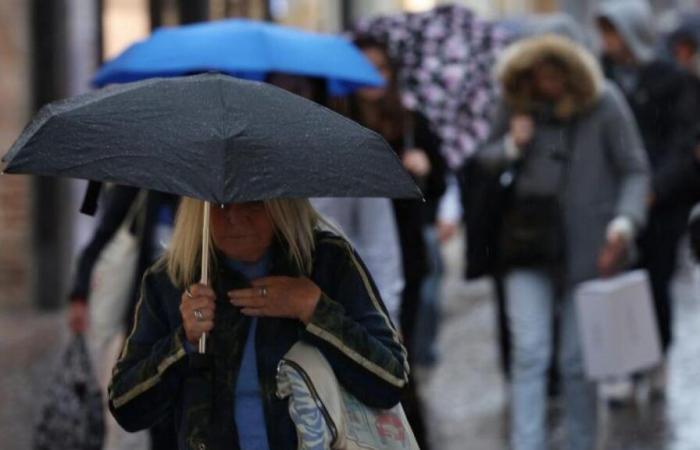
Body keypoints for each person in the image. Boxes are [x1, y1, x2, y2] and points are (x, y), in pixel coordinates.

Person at [108, 198, 408, 449]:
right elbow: (126, 406)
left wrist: (314, 309)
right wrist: (182, 342)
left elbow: (390, 380)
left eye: (253, 203)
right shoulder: (172, 280)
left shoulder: (328, 263)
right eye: (221, 204)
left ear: (280, 203)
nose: (235, 218)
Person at [477, 34, 650, 450]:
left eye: (555, 73)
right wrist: (511, 147)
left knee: (578, 361)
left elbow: (634, 168)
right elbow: (483, 163)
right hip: (526, 247)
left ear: (572, 72)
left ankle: (582, 442)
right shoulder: (514, 103)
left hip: (590, 250)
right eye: (538, 73)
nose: (547, 83)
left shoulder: (604, 102)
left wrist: (624, 225)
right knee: (529, 353)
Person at [597, 0, 700, 397]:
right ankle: (626, 363)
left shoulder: (671, 79)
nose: (608, 42)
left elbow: (682, 140)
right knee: (618, 279)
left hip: (663, 200)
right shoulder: (600, 77)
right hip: (617, 199)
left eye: (613, 31)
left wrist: (655, 188)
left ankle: (656, 355)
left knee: (655, 282)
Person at [350, 35, 447, 450]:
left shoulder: (410, 125)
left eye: (382, 67)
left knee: (396, 359)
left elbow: (440, 186)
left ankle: (408, 438)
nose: (374, 76)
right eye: (365, 66)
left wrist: (422, 171)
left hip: (404, 257)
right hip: (354, 256)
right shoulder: (340, 125)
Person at [68, 185, 179, 450]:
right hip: (141, 326)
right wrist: (79, 295)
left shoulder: (201, 198)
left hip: (189, 326)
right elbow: (100, 240)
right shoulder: (139, 189)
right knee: (139, 417)